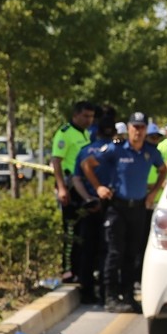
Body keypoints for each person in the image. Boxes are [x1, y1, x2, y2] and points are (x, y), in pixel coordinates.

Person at [80, 112, 167, 313]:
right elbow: (87, 165)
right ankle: (110, 296)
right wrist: (99, 187)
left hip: (137, 207)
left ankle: (128, 296)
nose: (138, 131)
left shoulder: (150, 152)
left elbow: (163, 169)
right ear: (128, 128)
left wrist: (153, 193)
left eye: (142, 127)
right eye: (134, 127)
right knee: (114, 252)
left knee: (132, 254)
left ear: (146, 129)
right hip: (116, 207)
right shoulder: (116, 149)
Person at [70, 115, 117, 304]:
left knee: (87, 250)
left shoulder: (85, 151)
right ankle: (107, 293)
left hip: (89, 206)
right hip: (112, 206)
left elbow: (77, 178)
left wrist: (88, 198)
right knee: (109, 250)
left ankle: (87, 291)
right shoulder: (117, 150)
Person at [50, 101, 96, 284]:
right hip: (69, 187)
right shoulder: (65, 133)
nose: (88, 120)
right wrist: (61, 187)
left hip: (82, 187)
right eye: (85, 116)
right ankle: (67, 270)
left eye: (91, 117)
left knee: (82, 232)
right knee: (70, 231)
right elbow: (56, 160)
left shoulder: (85, 134)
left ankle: (79, 269)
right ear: (75, 115)